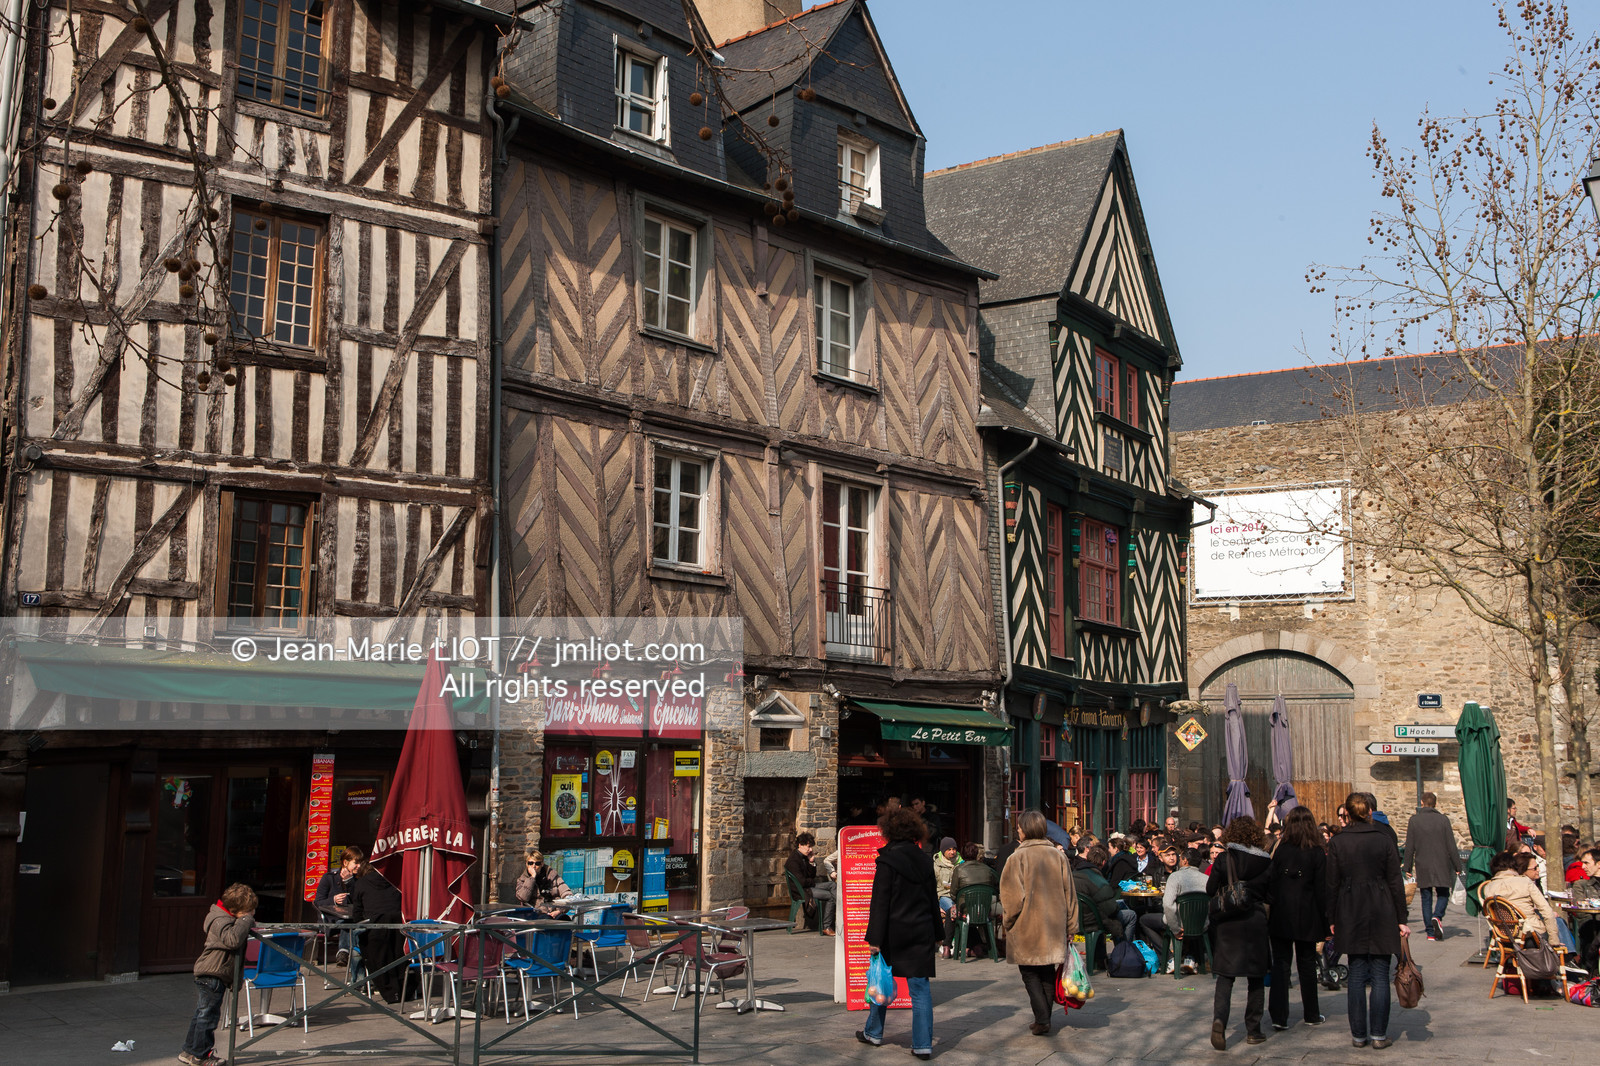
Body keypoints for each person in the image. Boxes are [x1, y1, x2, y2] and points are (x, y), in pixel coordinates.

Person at [1327, 792, 1410, 1050]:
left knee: (1357, 972)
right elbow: (1396, 882)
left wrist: (1331, 917)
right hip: (1382, 906)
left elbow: (1331, 883)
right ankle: (1378, 1034)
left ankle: (1359, 1034)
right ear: (1370, 813)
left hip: (1351, 908)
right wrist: (1401, 917)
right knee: (1379, 973)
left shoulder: (1338, 843)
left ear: (1348, 815)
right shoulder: (1383, 839)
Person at [859, 806, 942, 1060]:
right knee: (920, 991)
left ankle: (874, 1032)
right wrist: (939, 933)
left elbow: (880, 902)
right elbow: (932, 899)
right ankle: (923, 1045)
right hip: (921, 931)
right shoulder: (926, 861)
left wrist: (874, 938)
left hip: (893, 933)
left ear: (889, 831)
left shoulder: (886, 861)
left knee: (879, 982)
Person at [999, 810, 1079, 1036]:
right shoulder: (1058, 855)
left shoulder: (1017, 858)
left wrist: (1008, 921)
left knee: (1030, 973)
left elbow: (1012, 898)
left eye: (1019, 827)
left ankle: (1042, 1017)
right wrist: (1072, 925)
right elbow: (1070, 894)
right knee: (1046, 971)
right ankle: (1043, 1018)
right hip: (1053, 926)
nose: (1018, 831)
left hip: (1027, 926)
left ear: (1025, 830)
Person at [1206, 816, 1274, 1050]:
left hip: (1228, 922)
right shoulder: (1265, 862)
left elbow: (1209, 889)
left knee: (1226, 977)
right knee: (1255, 978)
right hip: (1255, 920)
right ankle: (1253, 1030)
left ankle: (1219, 1021)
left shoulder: (1225, 858)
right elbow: (1272, 895)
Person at [180, 882, 256, 1066]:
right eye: (248, 910)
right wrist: (246, 920)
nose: (251, 914)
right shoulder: (219, 919)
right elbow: (233, 940)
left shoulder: (222, 916)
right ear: (237, 909)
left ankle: (190, 1050)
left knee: (201, 1013)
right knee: (208, 1016)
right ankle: (201, 1055)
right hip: (212, 973)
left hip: (213, 972)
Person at [1267, 806, 1328, 1030]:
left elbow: (1272, 882)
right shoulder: (1317, 852)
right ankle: (1311, 1013)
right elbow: (1322, 890)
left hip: (1282, 913)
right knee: (1306, 964)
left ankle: (1279, 1016)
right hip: (1308, 914)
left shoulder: (1281, 850)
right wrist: (1326, 921)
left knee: (1281, 965)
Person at [1401, 791, 1463, 940]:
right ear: (1435, 804)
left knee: (1426, 897)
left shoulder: (1414, 820)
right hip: (1441, 862)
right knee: (1443, 893)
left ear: (1422, 803)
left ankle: (1430, 932)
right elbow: (1451, 845)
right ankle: (1438, 916)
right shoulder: (1443, 820)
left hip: (1423, 863)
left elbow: (1410, 846)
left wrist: (1407, 867)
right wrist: (1457, 866)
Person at [1477, 849, 1565, 944]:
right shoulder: (1525, 882)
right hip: (1530, 934)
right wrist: (1554, 940)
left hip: (1503, 935)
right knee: (1556, 924)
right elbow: (1547, 911)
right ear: (1513, 866)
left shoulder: (1488, 888)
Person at [350, 858, 405, 1004]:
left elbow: (357, 913)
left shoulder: (361, 883)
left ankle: (389, 992)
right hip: (399, 927)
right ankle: (402, 991)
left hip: (375, 929)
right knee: (399, 956)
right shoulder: (396, 881)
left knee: (371, 953)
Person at [1158, 844, 1208, 974]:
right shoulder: (1206, 879)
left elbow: (1168, 905)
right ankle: (1189, 957)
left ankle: (1170, 958)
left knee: (1144, 921)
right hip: (1201, 924)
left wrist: (1175, 929)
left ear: (1185, 860)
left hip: (1180, 924)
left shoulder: (1175, 877)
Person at [314, 847, 364, 965]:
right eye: (356, 863)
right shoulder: (329, 878)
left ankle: (347, 954)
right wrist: (333, 900)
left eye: (361, 863)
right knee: (346, 924)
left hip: (354, 919)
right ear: (345, 863)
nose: (359, 866)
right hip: (331, 920)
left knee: (354, 926)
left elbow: (358, 900)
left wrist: (349, 881)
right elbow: (318, 902)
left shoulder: (359, 881)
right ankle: (347, 953)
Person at [1072, 843, 1129, 943]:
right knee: (1130, 915)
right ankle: (1124, 951)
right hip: (1092, 922)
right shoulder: (1099, 881)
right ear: (1103, 863)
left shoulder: (1073, 874)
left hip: (1073, 919)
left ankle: (1103, 954)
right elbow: (1111, 909)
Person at [948, 842, 998, 956]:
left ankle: (947, 946)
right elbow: (995, 886)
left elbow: (953, 893)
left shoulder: (959, 869)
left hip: (966, 911)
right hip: (984, 910)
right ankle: (977, 945)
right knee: (969, 915)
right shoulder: (987, 869)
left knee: (952, 912)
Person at [1569, 847, 1600, 975]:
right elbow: (1581, 911)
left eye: (1587, 863)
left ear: (1598, 864)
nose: (1582, 867)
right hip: (1590, 924)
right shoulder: (1581, 885)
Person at [515, 848, 573, 916]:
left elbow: (566, 893)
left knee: (568, 921)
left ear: (542, 864)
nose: (534, 866)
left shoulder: (552, 875)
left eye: (537, 863)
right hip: (535, 914)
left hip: (555, 912)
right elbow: (522, 898)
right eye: (530, 863)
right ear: (527, 864)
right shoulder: (522, 879)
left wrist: (559, 911)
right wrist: (532, 878)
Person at [784, 832, 821, 932]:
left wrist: (811, 862)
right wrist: (811, 882)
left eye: (811, 847)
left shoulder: (804, 857)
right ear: (800, 845)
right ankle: (827, 926)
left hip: (808, 888)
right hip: (802, 892)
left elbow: (811, 875)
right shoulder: (794, 860)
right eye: (808, 847)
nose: (811, 850)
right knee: (830, 894)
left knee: (831, 885)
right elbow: (803, 882)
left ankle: (828, 925)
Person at [815, 839, 840, 936]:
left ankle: (828, 926)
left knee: (832, 894)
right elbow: (827, 860)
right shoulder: (842, 851)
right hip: (842, 883)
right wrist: (832, 872)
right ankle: (828, 926)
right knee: (833, 892)